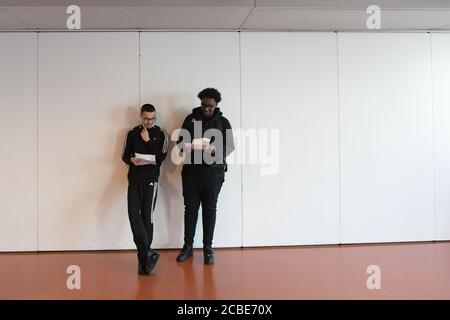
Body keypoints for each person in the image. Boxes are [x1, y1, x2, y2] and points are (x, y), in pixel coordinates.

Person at [176, 88, 235, 265]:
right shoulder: (190, 119)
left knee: (210, 210)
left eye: (210, 106)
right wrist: (188, 146)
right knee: (191, 209)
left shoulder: (223, 122)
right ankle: (188, 247)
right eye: (203, 105)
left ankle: (208, 249)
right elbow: (180, 143)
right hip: (191, 173)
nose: (206, 109)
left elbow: (230, 146)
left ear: (216, 105)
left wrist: (216, 149)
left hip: (213, 174)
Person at [122, 104, 168, 275]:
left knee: (146, 217)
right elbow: (124, 155)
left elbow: (160, 158)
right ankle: (147, 254)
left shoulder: (161, 134)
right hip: (134, 180)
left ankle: (144, 261)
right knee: (133, 215)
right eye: (146, 118)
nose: (149, 121)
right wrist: (131, 160)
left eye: (152, 118)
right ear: (141, 117)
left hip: (151, 181)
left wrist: (148, 141)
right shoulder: (132, 133)